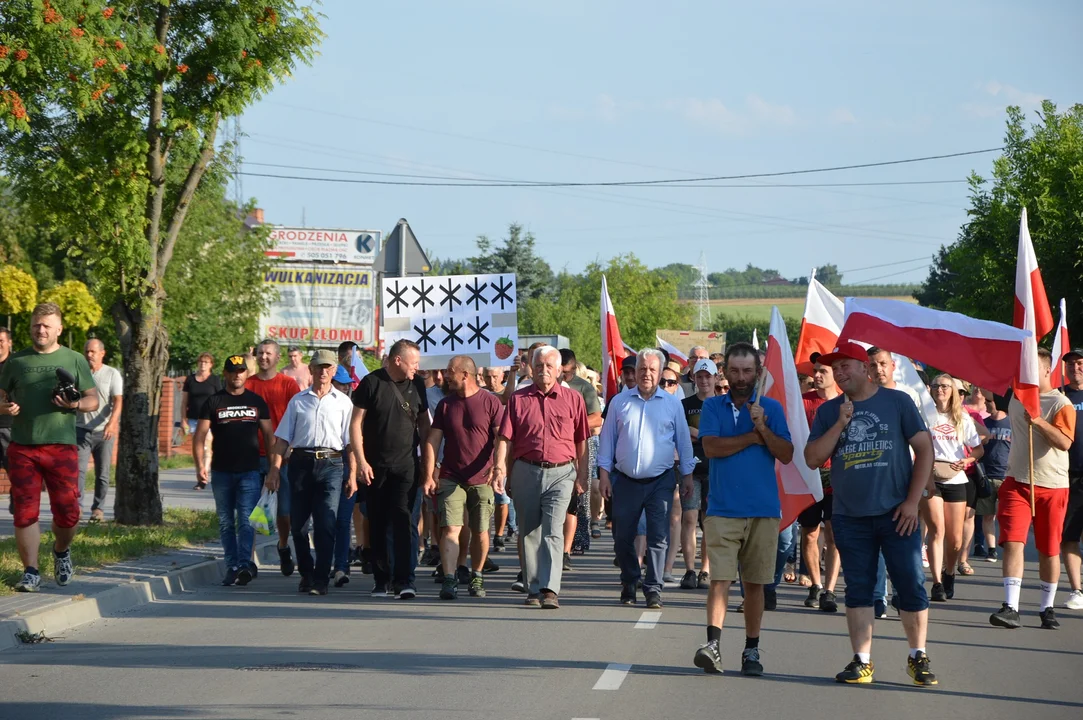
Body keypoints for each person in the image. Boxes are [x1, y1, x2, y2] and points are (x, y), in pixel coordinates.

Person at [804, 340, 937, 686]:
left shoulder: (898, 402)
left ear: (865, 367)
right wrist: (840, 424)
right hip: (850, 515)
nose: (840, 373)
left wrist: (912, 502)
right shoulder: (828, 411)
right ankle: (862, 661)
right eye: (835, 369)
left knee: (910, 583)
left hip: (897, 513)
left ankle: (917, 655)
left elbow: (924, 450)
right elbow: (813, 459)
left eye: (846, 365)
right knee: (859, 588)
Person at [692, 342, 793, 678]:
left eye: (747, 371)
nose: (740, 377)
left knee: (755, 585)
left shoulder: (772, 408)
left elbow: (786, 453)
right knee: (719, 579)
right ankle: (713, 645)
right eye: (734, 371)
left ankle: (751, 649)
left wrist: (763, 428)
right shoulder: (713, 408)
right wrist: (751, 438)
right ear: (725, 373)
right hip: (722, 508)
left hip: (763, 510)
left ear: (758, 373)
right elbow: (711, 447)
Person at [0, 303, 98, 593]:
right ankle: (30, 571)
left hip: (61, 447)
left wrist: (75, 404)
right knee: (24, 512)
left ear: (59, 329)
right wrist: (4, 406)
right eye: (35, 325)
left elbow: (93, 399)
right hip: (23, 447)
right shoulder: (16, 362)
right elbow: (0, 395)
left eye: (46, 325)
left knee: (68, 513)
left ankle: (61, 550)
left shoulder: (75, 359)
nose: (40, 330)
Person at [493, 345, 589, 610]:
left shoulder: (573, 400)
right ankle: (532, 588)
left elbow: (582, 441)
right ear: (531, 369)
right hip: (526, 470)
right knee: (528, 532)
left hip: (562, 473)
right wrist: (500, 469)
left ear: (559, 370)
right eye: (538, 366)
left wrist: (582, 475)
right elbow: (505, 439)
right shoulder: (518, 399)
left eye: (549, 366)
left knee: (553, 530)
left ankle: (550, 589)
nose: (543, 370)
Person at [598, 349, 695, 608]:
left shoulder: (672, 403)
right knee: (622, 537)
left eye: (652, 370)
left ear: (661, 372)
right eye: (642, 369)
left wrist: (687, 475)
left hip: (660, 481)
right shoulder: (619, 402)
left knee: (658, 536)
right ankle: (630, 580)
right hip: (626, 481)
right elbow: (607, 442)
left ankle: (653, 588)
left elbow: (684, 442)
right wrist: (604, 475)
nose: (646, 374)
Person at [989, 348, 1075, 630]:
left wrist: (1037, 421)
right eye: (1021, 370)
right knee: (1013, 540)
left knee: (1049, 549)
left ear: (1047, 370)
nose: (1023, 375)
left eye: (1030, 369)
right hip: (1017, 482)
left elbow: (1064, 442)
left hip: (1052, 484)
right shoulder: (1016, 395)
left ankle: (1046, 607)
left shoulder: (1061, 403)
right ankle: (1010, 606)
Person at [266, 349, 355, 596]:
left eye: (328, 367)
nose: (323, 372)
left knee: (327, 523)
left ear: (334, 371)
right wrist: (274, 470)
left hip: (332, 464)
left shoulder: (343, 402)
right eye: (319, 367)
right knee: (299, 525)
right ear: (311, 370)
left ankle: (321, 578)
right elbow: (282, 439)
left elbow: (350, 442)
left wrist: (353, 472)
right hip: (301, 464)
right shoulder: (298, 401)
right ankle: (306, 572)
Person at [350, 339, 430, 599]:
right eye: (413, 362)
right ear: (398, 360)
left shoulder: (417, 385)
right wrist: (361, 462)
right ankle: (381, 579)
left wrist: (428, 465)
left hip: (406, 465)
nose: (416, 368)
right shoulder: (371, 383)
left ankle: (405, 580)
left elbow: (424, 426)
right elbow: (355, 425)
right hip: (375, 467)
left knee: (404, 520)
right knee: (378, 522)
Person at [421, 356, 504, 600]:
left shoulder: (490, 402)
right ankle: (449, 579)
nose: (445, 376)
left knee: (480, 530)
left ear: (465, 374)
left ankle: (477, 575)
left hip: (482, 478)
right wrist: (428, 474)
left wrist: (498, 467)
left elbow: (501, 439)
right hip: (450, 477)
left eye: (449, 372)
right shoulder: (446, 405)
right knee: (450, 528)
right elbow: (433, 440)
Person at [193, 355, 275, 586]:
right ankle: (232, 565)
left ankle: (243, 564)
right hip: (221, 472)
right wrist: (200, 466)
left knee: (247, 521)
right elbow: (199, 436)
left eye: (241, 370)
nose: (237, 374)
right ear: (226, 374)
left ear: (246, 374)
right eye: (233, 371)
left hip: (250, 471)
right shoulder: (213, 401)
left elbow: (269, 436)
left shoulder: (256, 401)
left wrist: (272, 469)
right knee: (225, 521)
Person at [245, 339, 301, 577]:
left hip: (281, 457)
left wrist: (291, 447)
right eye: (260, 353)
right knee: (249, 509)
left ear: (278, 357)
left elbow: (299, 417)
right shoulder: (247, 384)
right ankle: (248, 559)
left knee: (283, 510)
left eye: (268, 353)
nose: (263, 357)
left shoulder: (288, 385)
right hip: (250, 455)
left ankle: (283, 545)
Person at [927, 373, 983, 601]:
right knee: (936, 530)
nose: (940, 389)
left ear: (953, 391)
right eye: (936, 386)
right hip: (930, 477)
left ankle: (949, 572)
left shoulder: (962, 418)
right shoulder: (924, 415)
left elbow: (978, 449)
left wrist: (967, 461)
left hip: (956, 478)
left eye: (945, 386)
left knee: (956, 538)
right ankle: (937, 584)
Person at [799, 353, 842, 613]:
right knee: (810, 533)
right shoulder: (803, 402)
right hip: (810, 475)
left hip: (838, 477)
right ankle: (815, 584)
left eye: (822, 371)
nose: (816, 375)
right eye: (815, 370)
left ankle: (830, 589)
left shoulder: (845, 402)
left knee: (834, 534)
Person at [559, 349, 603, 568]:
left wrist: (570, 426)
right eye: (560, 371)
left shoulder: (583, 387)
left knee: (578, 499)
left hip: (580, 447)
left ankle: (574, 544)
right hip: (554, 453)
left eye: (566, 373)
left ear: (574, 369)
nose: (562, 376)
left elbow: (597, 418)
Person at [76, 339, 123, 523]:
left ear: (102, 353)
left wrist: (112, 423)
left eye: (93, 352)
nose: (89, 355)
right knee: (78, 471)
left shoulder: (112, 374)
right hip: (81, 429)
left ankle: (98, 509)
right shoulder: (79, 373)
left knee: (102, 473)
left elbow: (118, 401)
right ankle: (77, 508)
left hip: (104, 431)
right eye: (87, 351)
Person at [679, 359, 715, 590]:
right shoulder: (684, 404)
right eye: (699, 376)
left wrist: (698, 433)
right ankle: (690, 570)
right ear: (693, 378)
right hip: (691, 469)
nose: (703, 381)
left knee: (709, 522)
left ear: (715, 378)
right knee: (690, 518)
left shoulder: (721, 404)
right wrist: (703, 434)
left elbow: (720, 436)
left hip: (715, 470)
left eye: (707, 376)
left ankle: (706, 570)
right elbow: (681, 434)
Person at [1059, 348, 1083, 610]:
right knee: (1069, 537)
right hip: (1068, 476)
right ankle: (1077, 590)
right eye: (1070, 363)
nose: (1074, 367)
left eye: (1079, 363)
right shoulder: (1060, 396)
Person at [977, 390, 1012, 565]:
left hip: (1007, 476)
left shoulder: (1012, 423)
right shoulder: (983, 423)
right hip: (987, 474)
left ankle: (1010, 545)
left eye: (989, 402)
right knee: (987, 515)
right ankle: (991, 549)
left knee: (1007, 515)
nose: (986, 405)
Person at [181, 352, 222, 487]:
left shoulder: (214, 380)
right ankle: (200, 471)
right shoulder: (190, 380)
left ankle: (203, 476)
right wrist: (183, 419)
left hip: (210, 419)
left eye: (206, 362)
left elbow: (220, 399)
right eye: (201, 362)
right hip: (193, 418)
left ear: (211, 365)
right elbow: (184, 401)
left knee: (206, 447)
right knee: (197, 449)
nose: (203, 364)